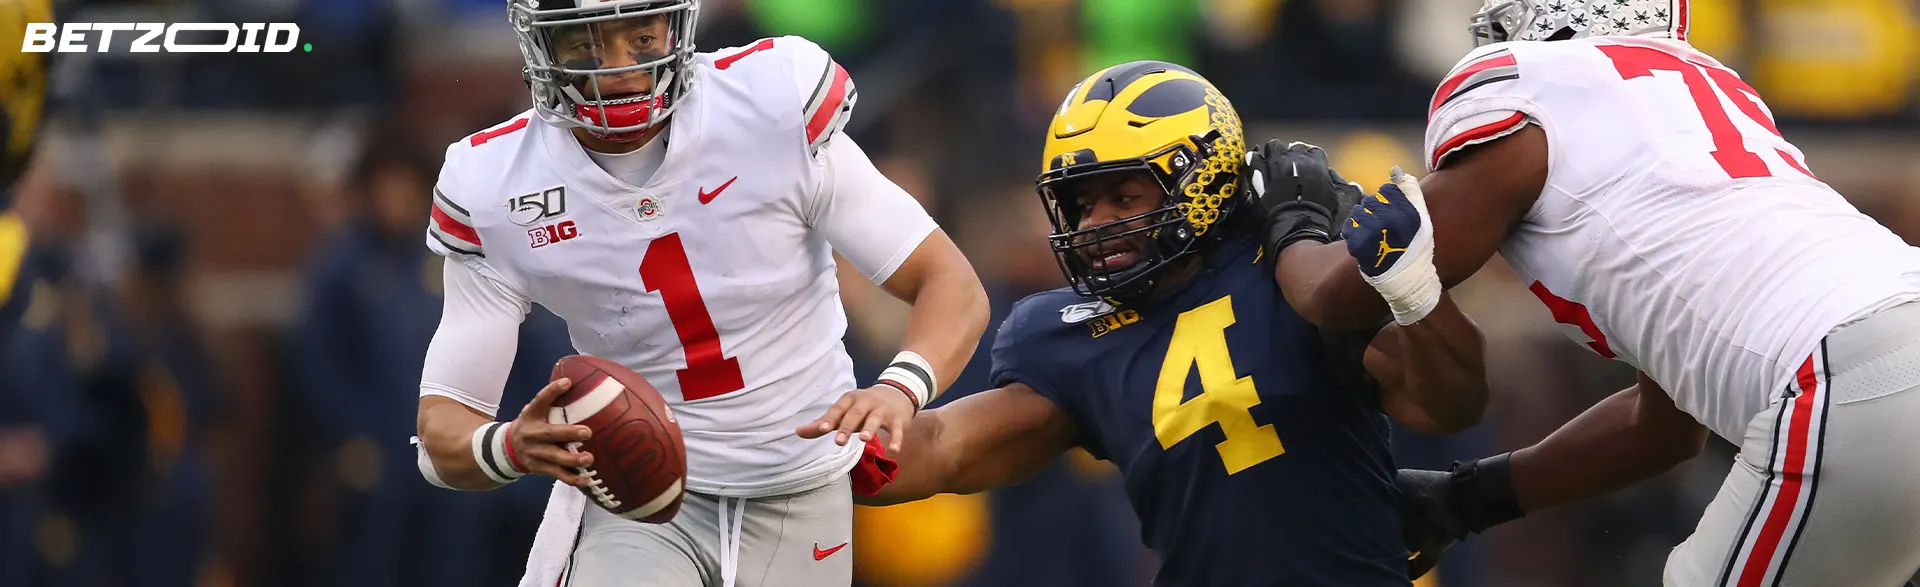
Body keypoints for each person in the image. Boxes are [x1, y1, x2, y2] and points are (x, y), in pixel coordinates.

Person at [1260, 1, 1920, 584]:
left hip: (1850, 378)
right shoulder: (1704, 106)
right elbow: (1661, 429)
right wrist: (1467, 500)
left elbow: (1338, 299)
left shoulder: (1534, 99)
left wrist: (1291, 221)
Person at [407, 2, 991, 587]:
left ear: (676, 27)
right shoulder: (496, 184)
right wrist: (510, 447)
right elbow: (442, 433)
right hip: (638, 499)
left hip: (800, 485)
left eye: (641, 37)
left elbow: (950, 284)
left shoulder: (769, 102)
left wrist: (900, 388)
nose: (620, 68)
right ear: (543, 47)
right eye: (587, 45)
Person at [860, 60, 1492, 587]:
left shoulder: (1292, 268)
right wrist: (817, 446)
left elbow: (1450, 404)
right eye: (1080, 202)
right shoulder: (1070, 333)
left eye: (1123, 196)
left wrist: (1408, 288)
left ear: (1203, 181)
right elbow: (942, 447)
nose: (1094, 223)